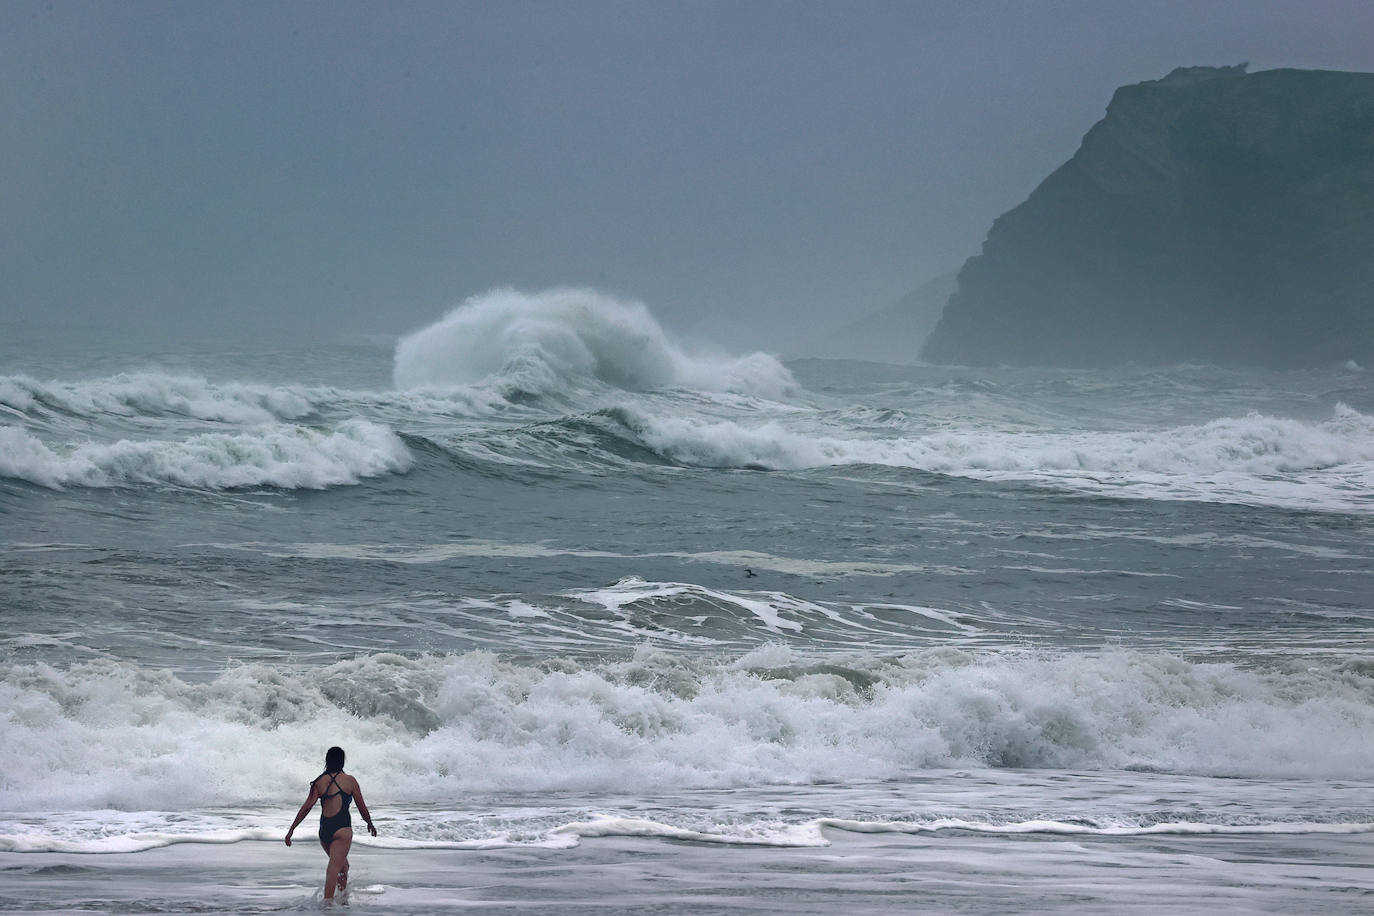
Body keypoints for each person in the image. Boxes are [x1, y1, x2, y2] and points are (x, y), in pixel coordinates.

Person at [285, 746, 377, 902]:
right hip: (342, 830)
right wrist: (370, 823)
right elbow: (361, 806)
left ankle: (342, 899)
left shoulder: (319, 781)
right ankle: (327, 905)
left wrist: (291, 830)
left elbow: (306, 807)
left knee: (343, 866)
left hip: (324, 831)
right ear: (342, 761)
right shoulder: (350, 781)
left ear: (327, 760)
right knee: (334, 867)